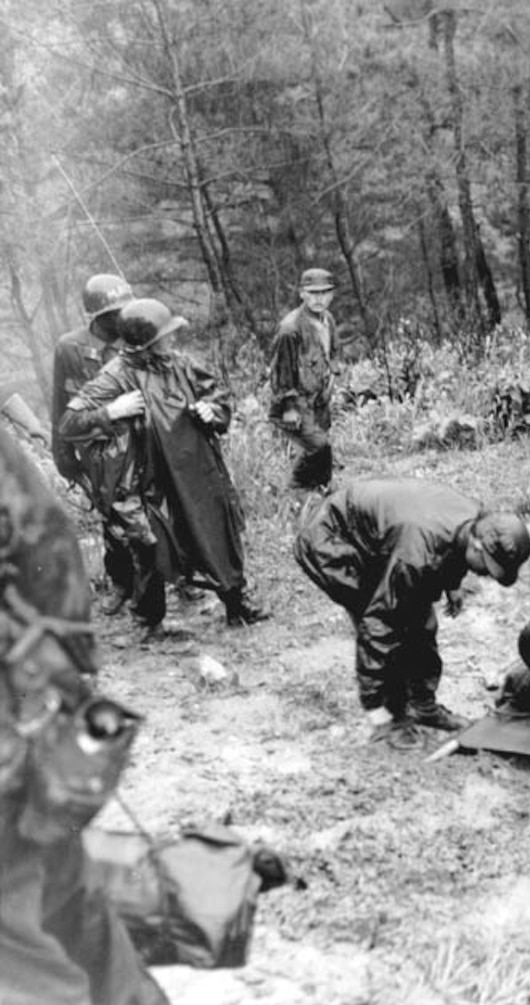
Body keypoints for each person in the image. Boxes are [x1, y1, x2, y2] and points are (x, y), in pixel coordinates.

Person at [0, 425, 170, 1005]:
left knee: (36, 946)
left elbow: (46, 545)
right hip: (31, 740)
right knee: (68, 905)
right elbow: (50, 547)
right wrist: (66, 681)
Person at [59, 298, 268, 634]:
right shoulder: (114, 377)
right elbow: (69, 423)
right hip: (149, 478)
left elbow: (218, 395)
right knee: (150, 546)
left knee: (218, 532)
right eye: (165, 336)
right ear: (145, 342)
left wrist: (211, 410)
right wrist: (111, 412)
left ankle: (236, 603)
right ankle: (148, 620)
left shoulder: (180, 364)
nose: (171, 341)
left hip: (198, 472)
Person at [294, 478, 530, 749]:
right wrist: (375, 709)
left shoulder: (474, 520)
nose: (486, 575)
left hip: (384, 537)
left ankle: (422, 706)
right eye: (487, 569)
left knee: (422, 622)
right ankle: (388, 717)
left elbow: (451, 547)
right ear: (477, 546)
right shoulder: (415, 558)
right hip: (332, 542)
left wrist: (452, 584)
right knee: (389, 626)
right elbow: (377, 626)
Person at [50, 274, 136, 615]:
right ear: (98, 316)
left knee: (160, 511)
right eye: (117, 311)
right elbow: (60, 404)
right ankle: (122, 584)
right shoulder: (70, 348)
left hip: (137, 442)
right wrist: (63, 455)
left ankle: (181, 578)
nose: (125, 316)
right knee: (112, 518)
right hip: (97, 449)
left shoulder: (136, 338)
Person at [269, 267, 339, 491]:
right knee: (318, 447)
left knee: (323, 450)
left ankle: (322, 491)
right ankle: (293, 491)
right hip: (297, 401)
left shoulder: (328, 320)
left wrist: (332, 381)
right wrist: (289, 408)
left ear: (332, 294)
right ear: (302, 294)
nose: (319, 299)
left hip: (320, 398)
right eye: (313, 293)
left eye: (324, 293)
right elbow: (281, 372)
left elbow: (332, 354)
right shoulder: (290, 329)